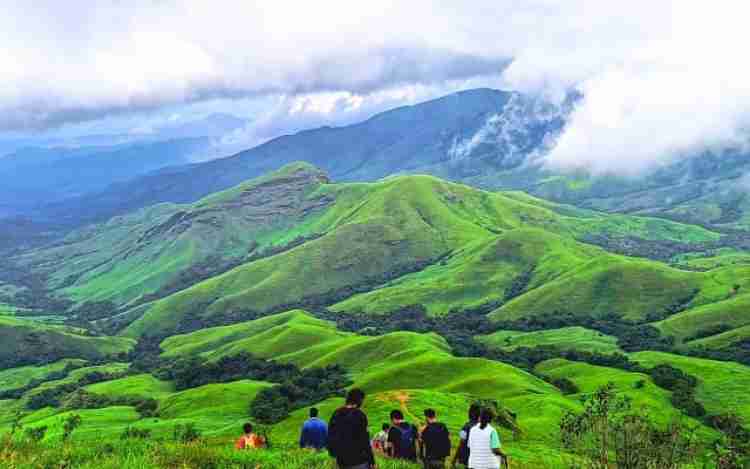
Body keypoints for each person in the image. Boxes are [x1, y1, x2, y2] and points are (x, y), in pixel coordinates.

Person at [328, 388, 377, 469]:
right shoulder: (360, 415)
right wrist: (372, 461)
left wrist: (334, 456)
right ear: (359, 400)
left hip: (342, 460)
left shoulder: (336, 413)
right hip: (359, 460)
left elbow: (330, 436)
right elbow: (365, 440)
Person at [451, 404, 480, 468]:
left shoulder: (465, 427)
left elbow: (461, 443)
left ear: (469, 414)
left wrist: (454, 459)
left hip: (468, 459)